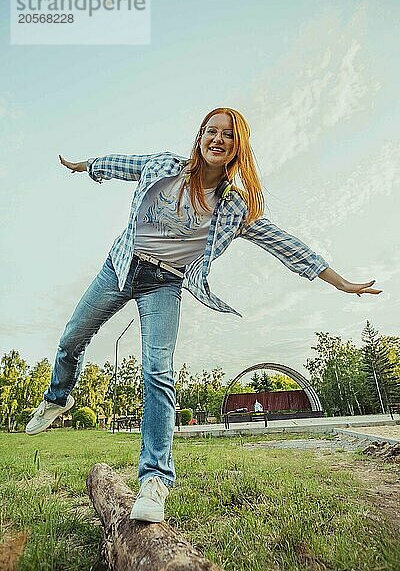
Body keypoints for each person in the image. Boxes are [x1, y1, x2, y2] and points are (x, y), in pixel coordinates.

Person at [25, 107, 382, 523]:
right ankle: (56, 399)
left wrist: (339, 282)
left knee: (158, 371)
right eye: (211, 131)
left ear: (237, 148)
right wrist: (84, 166)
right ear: (199, 137)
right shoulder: (163, 167)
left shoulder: (234, 208)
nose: (218, 139)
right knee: (72, 338)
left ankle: (154, 481)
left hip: (165, 284)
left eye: (227, 135)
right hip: (121, 266)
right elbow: (118, 164)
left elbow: (286, 244)